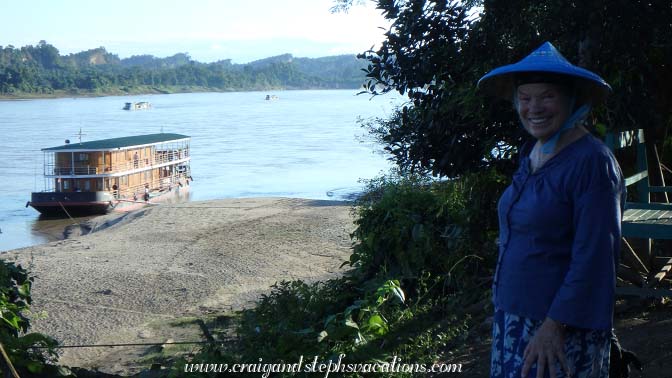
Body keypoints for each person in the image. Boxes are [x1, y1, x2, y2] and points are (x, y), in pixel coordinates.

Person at [477, 42, 625, 378]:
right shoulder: (533, 152)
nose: (534, 107)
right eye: (525, 98)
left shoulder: (592, 162)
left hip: (558, 328)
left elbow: (596, 256)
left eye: (547, 96)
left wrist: (554, 326)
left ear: (571, 100)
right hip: (513, 317)